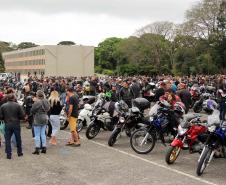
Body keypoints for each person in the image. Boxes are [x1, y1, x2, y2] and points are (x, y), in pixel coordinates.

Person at [0, 93, 25, 159]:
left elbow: (1, 116)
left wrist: (4, 119)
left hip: (7, 124)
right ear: (14, 98)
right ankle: (19, 152)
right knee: (18, 138)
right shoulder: (18, 105)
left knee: (7, 139)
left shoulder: (3, 106)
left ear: (7, 98)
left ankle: (8, 154)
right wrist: (18, 118)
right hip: (16, 123)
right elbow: (22, 115)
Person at [31, 90, 50, 155]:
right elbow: (48, 109)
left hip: (38, 118)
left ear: (37, 95)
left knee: (37, 134)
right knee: (43, 133)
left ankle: (37, 148)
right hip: (45, 117)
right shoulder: (46, 101)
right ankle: (44, 147)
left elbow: (32, 110)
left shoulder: (37, 102)